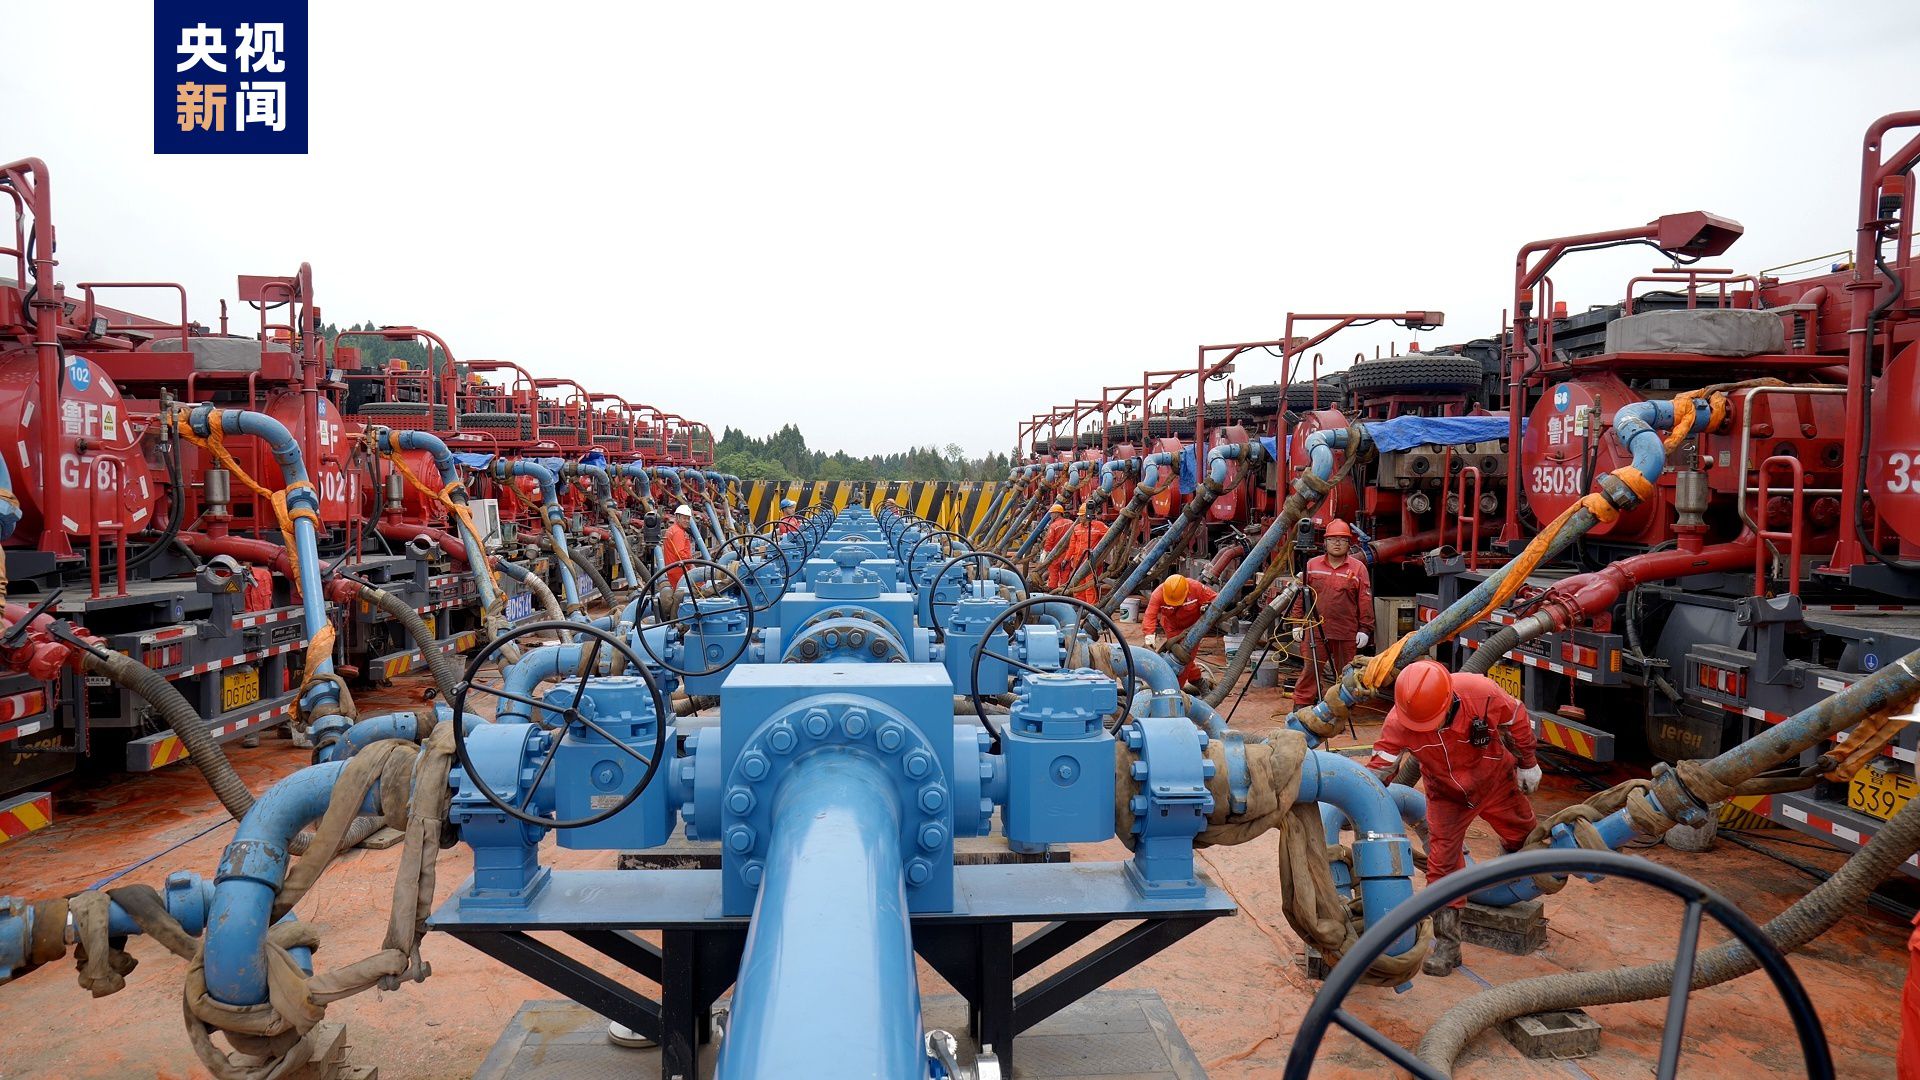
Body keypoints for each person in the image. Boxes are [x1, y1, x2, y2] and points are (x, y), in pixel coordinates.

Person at [1369, 659, 1542, 976]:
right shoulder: (1399, 721)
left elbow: (1516, 718)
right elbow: (1380, 769)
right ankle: (1448, 946)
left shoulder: (1481, 692)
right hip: (1446, 795)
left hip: (1495, 779)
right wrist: (1359, 800)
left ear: (1448, 701)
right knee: (1443, 866)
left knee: (1527, 839)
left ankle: (1513, 881)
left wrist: (1528, 761)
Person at [1290, 519, 1374, 709]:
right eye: (1333, 539)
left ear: (1349, 543)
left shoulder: (1358, 568)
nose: (1337, 543)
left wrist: (1365, 629)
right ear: (1325, 542)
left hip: (1345, 631)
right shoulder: (1312, 565)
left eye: (1342, 539)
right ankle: (1302, 704)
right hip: (1315, 631)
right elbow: (1301, 597)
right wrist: (1297, 624)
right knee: (1310, 669)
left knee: (1346, 674)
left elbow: (1365, 601)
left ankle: (1342, 708)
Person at [1141, 573, 1218, 691]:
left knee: (1183, 660)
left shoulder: (1196, 588)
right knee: (1176, 659)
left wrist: (1208, 608)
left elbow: (1217, 599)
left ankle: (1176, 690)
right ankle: (1197, 681)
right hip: (1172, 629)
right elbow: (1150, 615)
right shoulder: (1158, 594)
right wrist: (1149, 637)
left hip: (1193, 629)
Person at [1060, 501, 1109, 604]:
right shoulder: (1077, 528)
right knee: (1078, 585)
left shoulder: (1099, 526)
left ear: (1087, 515)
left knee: (1089, 586)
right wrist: (1066, 559)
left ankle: (1090, 607)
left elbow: (1111, 536)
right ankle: (1079, 605)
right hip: (1077, 562)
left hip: (1091, 563)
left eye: (1082, 516)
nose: (1080, 518)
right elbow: (1072, 546)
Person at [662, 504, 696, 587]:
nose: (687, 521)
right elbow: (680, 553)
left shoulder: (672, 529)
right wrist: (691, 565)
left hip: (673, 569)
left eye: (688, 518)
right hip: (680, 570)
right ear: (677, 517)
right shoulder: (678, 532)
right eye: (684, 518)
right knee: (699, 587)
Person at [1039, 503, 1071, 588]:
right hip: (1067, 553)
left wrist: (1045, 552)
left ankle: (1052, 591)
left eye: (1052, 513)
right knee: (1065, 573)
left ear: (1057, 513)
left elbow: (1049, 541)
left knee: (1053, 573)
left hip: (1055, 554)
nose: (1051, 515)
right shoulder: (1070, 523)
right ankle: (1063, 590)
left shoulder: (1054, 526)